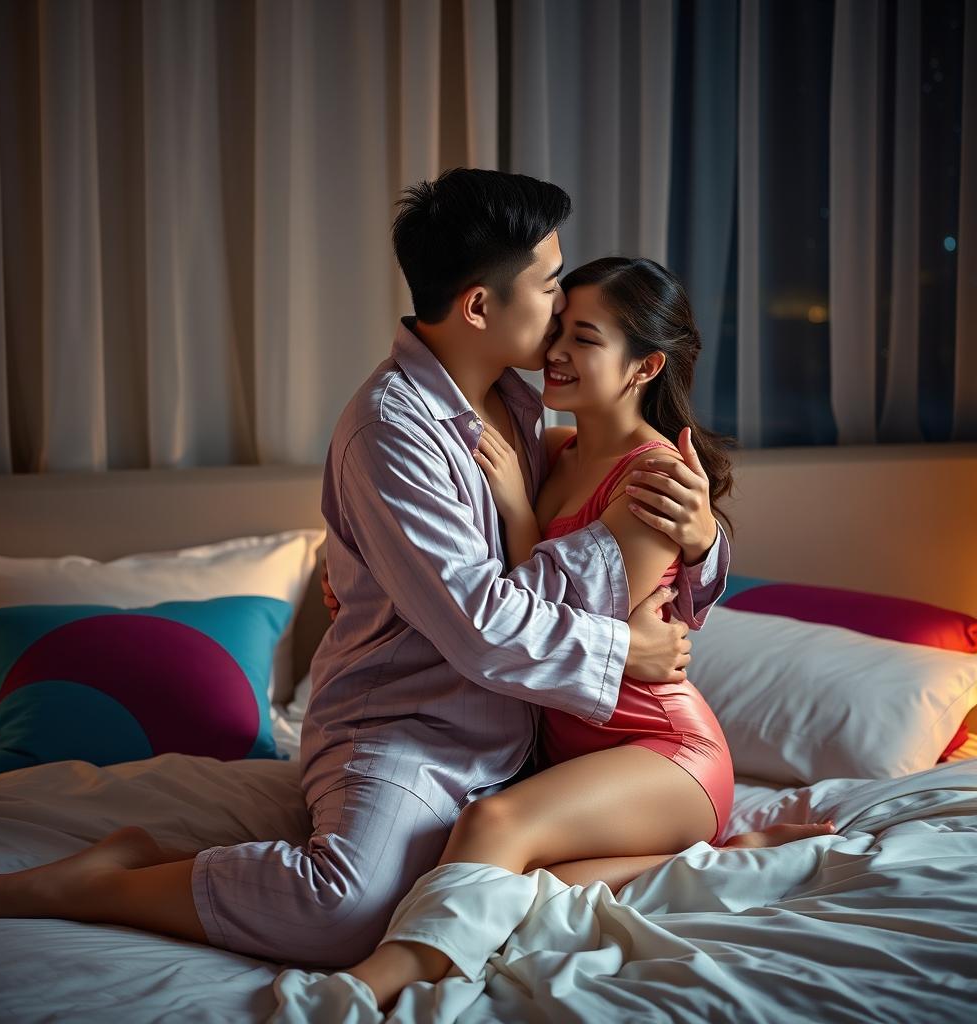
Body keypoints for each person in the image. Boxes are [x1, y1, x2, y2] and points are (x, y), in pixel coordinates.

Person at [0, 169, 732, 970]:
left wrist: (704, 545)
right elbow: (482, 626)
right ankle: (112, 879)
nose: (561, 307)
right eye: (547, 285)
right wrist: (621, 652)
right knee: (343, 910)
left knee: (478, 878)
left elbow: (632, 533)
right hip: (410, 725)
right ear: (478, 307)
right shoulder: (392, 431)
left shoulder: (524, 404)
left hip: (519, 739)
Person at [331, 256, 837, 1012]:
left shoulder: (654, 478)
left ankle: (371, 986)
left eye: (586, 339)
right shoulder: (552, 452)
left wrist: (518, 510)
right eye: (559, 329)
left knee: (492, 823)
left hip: (658, 750)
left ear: (646, 366)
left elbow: (569, 614)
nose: (556, 352)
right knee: (521, 893)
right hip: (571, 751)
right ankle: (727, 861)